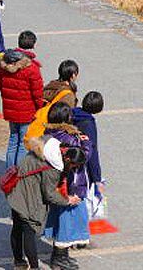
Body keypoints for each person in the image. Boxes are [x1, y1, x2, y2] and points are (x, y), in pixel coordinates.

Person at [7, 135, 83, 270]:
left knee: (17, 228)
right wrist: (67, 200)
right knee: (29, 231)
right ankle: (34, 267)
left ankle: (19, 262)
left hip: (17, 190)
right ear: (67, 158)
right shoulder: (52, 167)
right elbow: (49, 194)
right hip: (29, 198)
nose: (73, 169)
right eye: (73, 166)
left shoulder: (46, 144)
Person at [42, 102, 91, 269]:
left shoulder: (50, 133)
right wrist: (86, 144)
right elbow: (83, 157)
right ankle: (59, 257)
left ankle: (61, 255)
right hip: (71, 188)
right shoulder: (69, 138)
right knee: (67, 223)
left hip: (59, 186)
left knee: (60, 221)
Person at [0, 31, 45, 167]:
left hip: (10, 109)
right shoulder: (32, 68)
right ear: (33, 45)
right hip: (26, 111)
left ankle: (9, 171)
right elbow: (37, 94)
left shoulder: (4, 63)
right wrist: (39, 109)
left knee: (13, 139)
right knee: (23, 142)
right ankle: (19, 173)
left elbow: (0, 85)